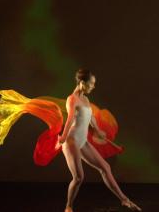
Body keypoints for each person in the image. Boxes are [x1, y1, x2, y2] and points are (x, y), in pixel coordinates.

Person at [59, 69, 141, 211]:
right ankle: (69, 206)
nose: (93, 86)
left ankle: (124, 200)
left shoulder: (85, 99)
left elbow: (91, 119)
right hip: (71, 140)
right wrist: (64, 137)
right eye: (91, 84)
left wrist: (98, 130)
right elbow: (70, 119)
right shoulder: (72, 99)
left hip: (82, 141)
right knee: (79, 178)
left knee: (105, 168)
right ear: (82, 83)